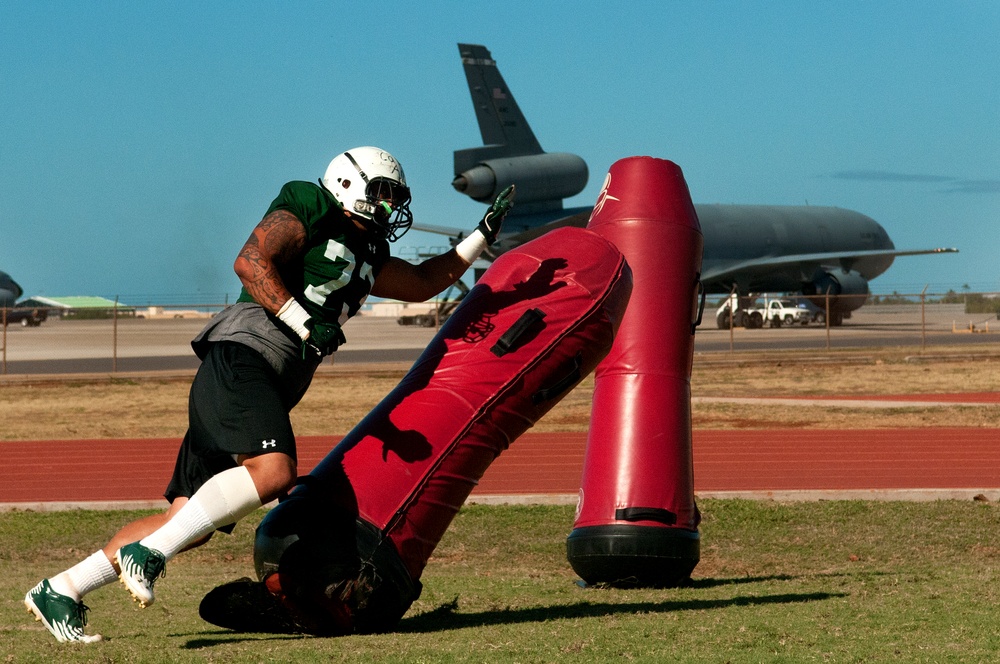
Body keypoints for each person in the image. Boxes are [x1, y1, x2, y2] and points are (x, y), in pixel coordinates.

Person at [24, 146, 515, 643]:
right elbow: (250, 260)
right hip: (245, 355)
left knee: (186, 520)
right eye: (382, 192)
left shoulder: (368, 250)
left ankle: (62, 587)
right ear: (348, 184)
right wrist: (304, 321)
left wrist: (480, 237)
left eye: (396, 196)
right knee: (273, 472)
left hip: (257, 378)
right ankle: (147, 554)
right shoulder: (312, 203)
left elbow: (422, 282)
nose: (390, 206)